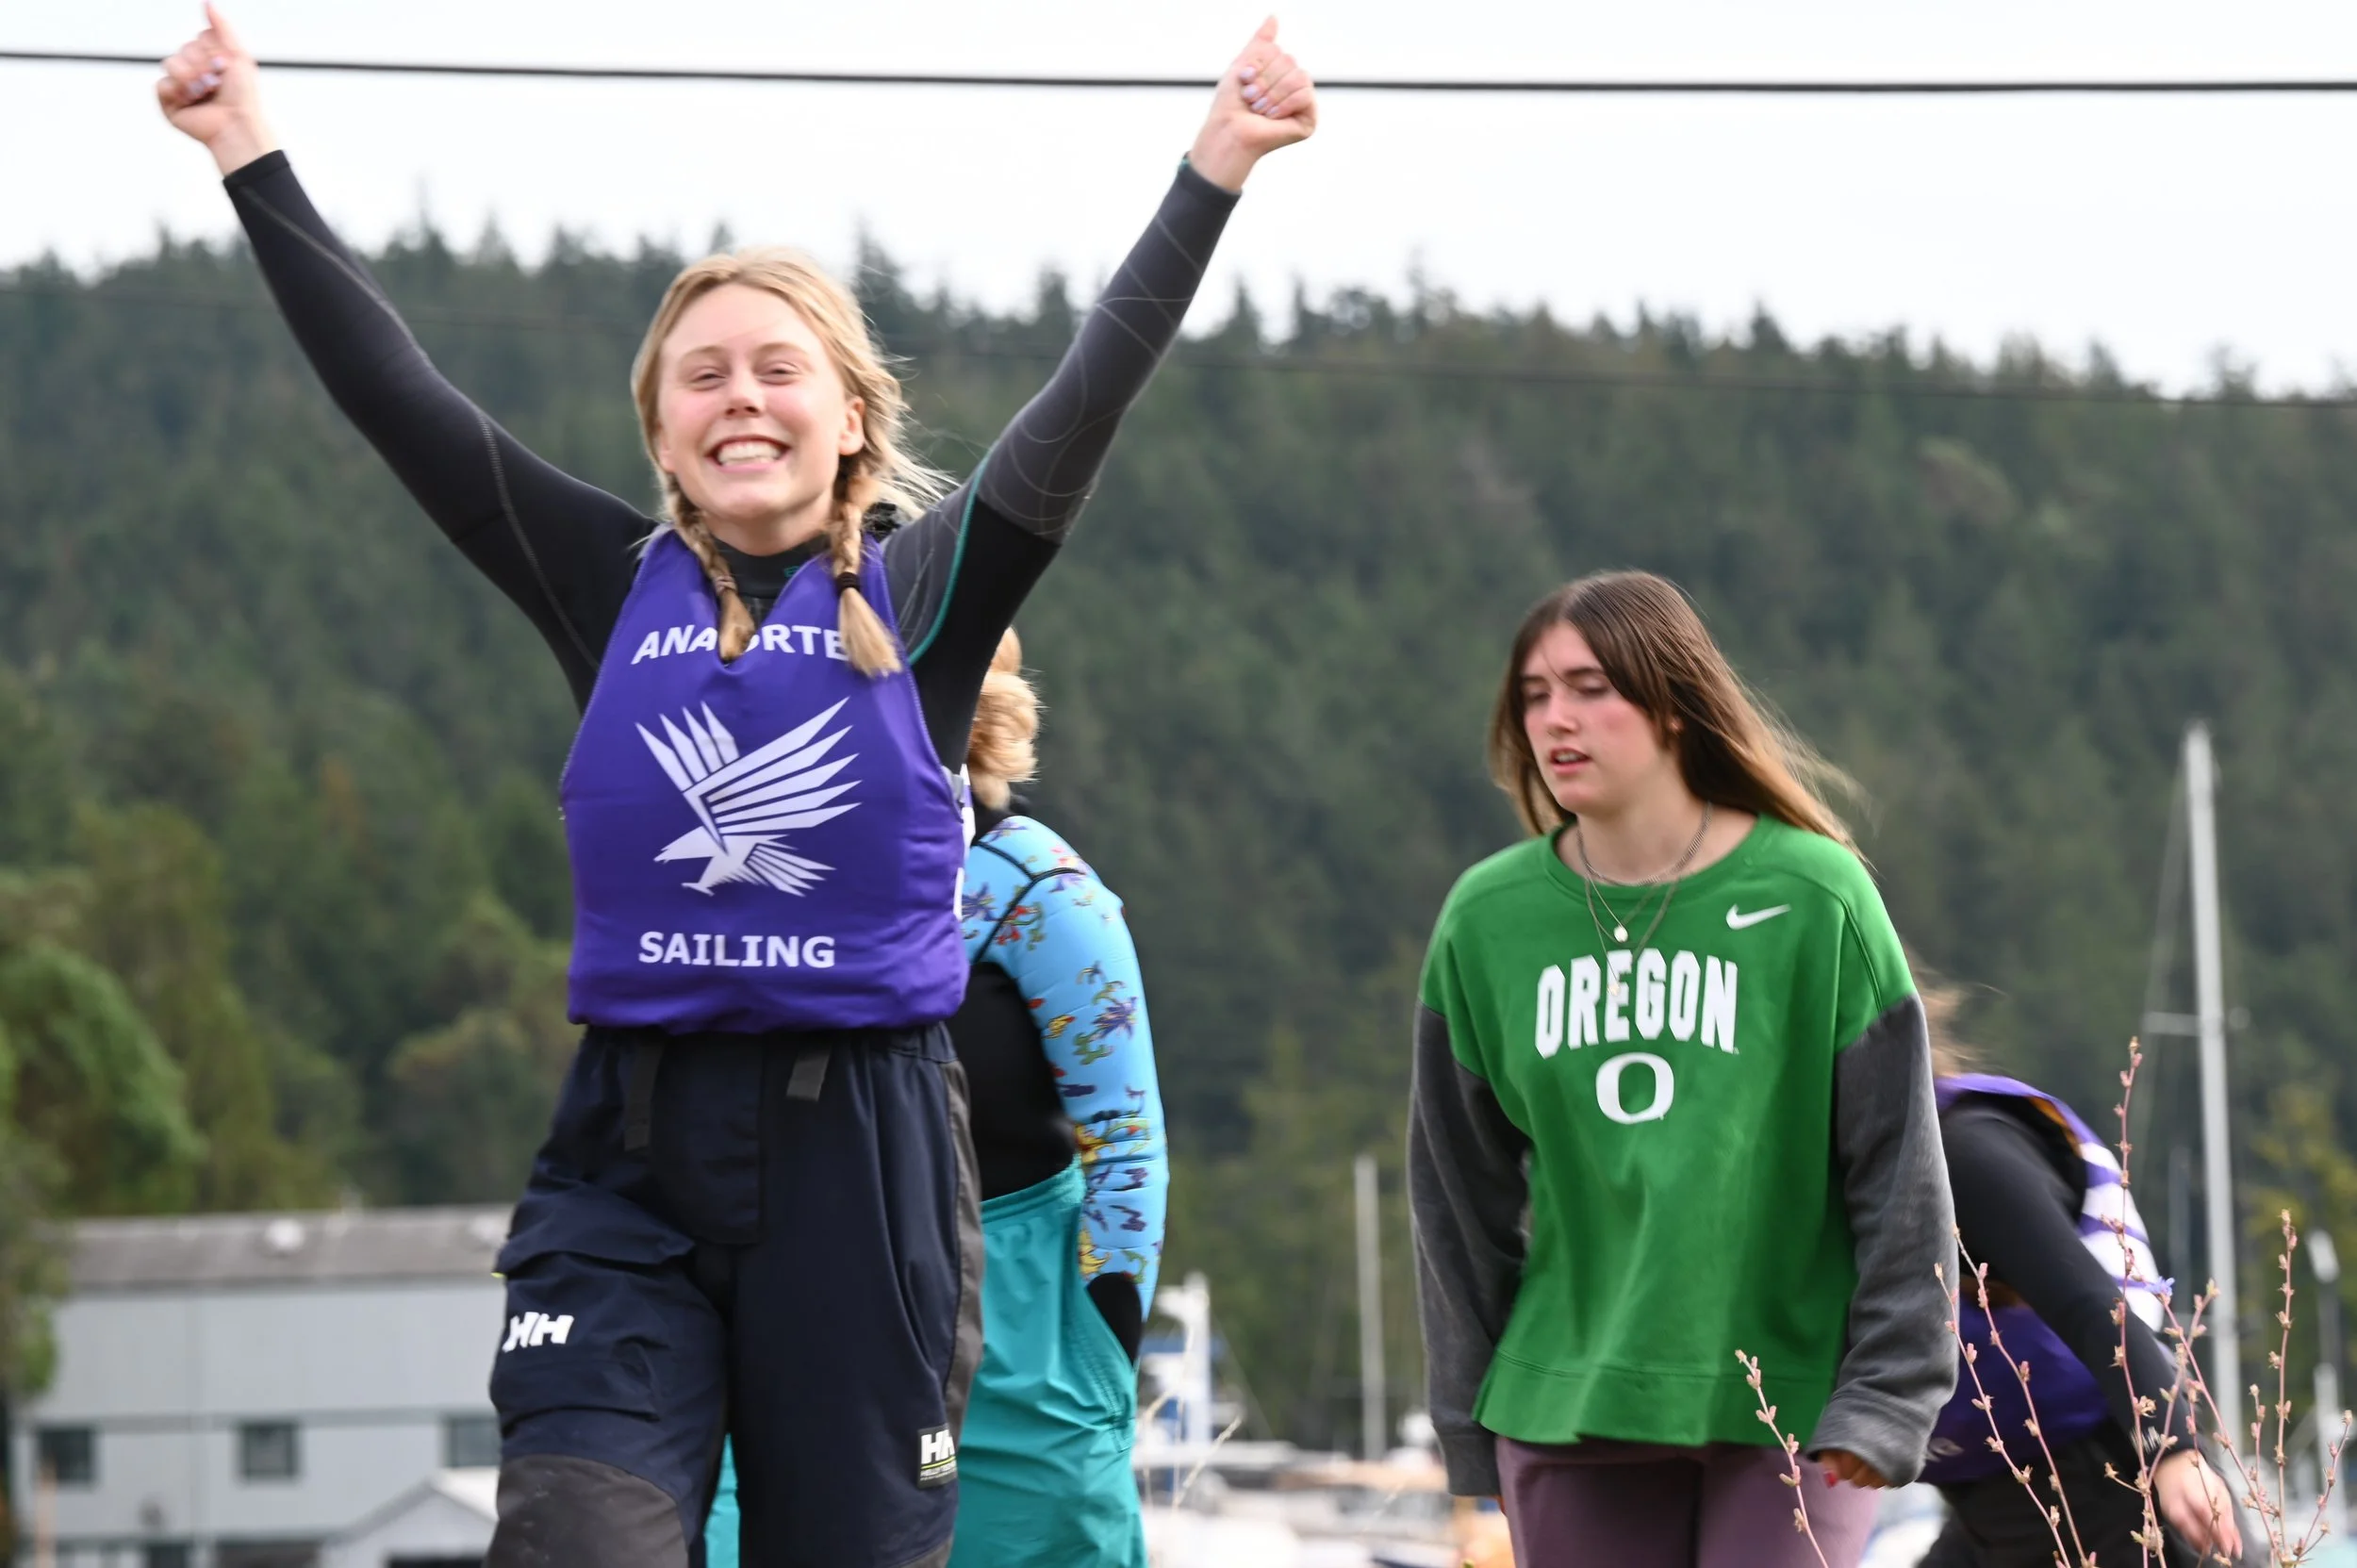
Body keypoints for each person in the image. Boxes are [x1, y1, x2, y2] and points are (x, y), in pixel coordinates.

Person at [156, 11, 1312, 1565]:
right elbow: (399, 395)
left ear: (852, 420)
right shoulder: (600, 587)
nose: (741, 398)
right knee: (583, 1532)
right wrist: (245, 148)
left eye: (781, 369)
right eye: (702, 376)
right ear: (662, 428)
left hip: (869, 1168)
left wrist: (1216, 163)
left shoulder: (929, 600)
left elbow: (1082, 399)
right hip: (630, 1153)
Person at [1408, 570, 1955, 1568]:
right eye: (1534, 694)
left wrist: (1888, 1392)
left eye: (1588, 687)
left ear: (1669, 703)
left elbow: (1898, 1169)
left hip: (1787, 1400)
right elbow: (1456, 1197)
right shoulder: (1486, 921)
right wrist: (1463, 1413)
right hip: (1567, 1398)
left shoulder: (1813, 893)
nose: (1554, 719)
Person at [712, 630, 1166, 1567]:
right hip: (799, 1318)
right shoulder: (756, 873)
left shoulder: (1035, 887)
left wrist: (1093, 1364)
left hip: (1018, 1334)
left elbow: (1124, 1139)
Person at [1919, 980, 2245, 1567]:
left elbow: (2089, 1301)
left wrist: (2172, 1451)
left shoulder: (1960, 1153)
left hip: (2108, 1479)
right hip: (1981, 1505)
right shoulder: (1814, 1196)